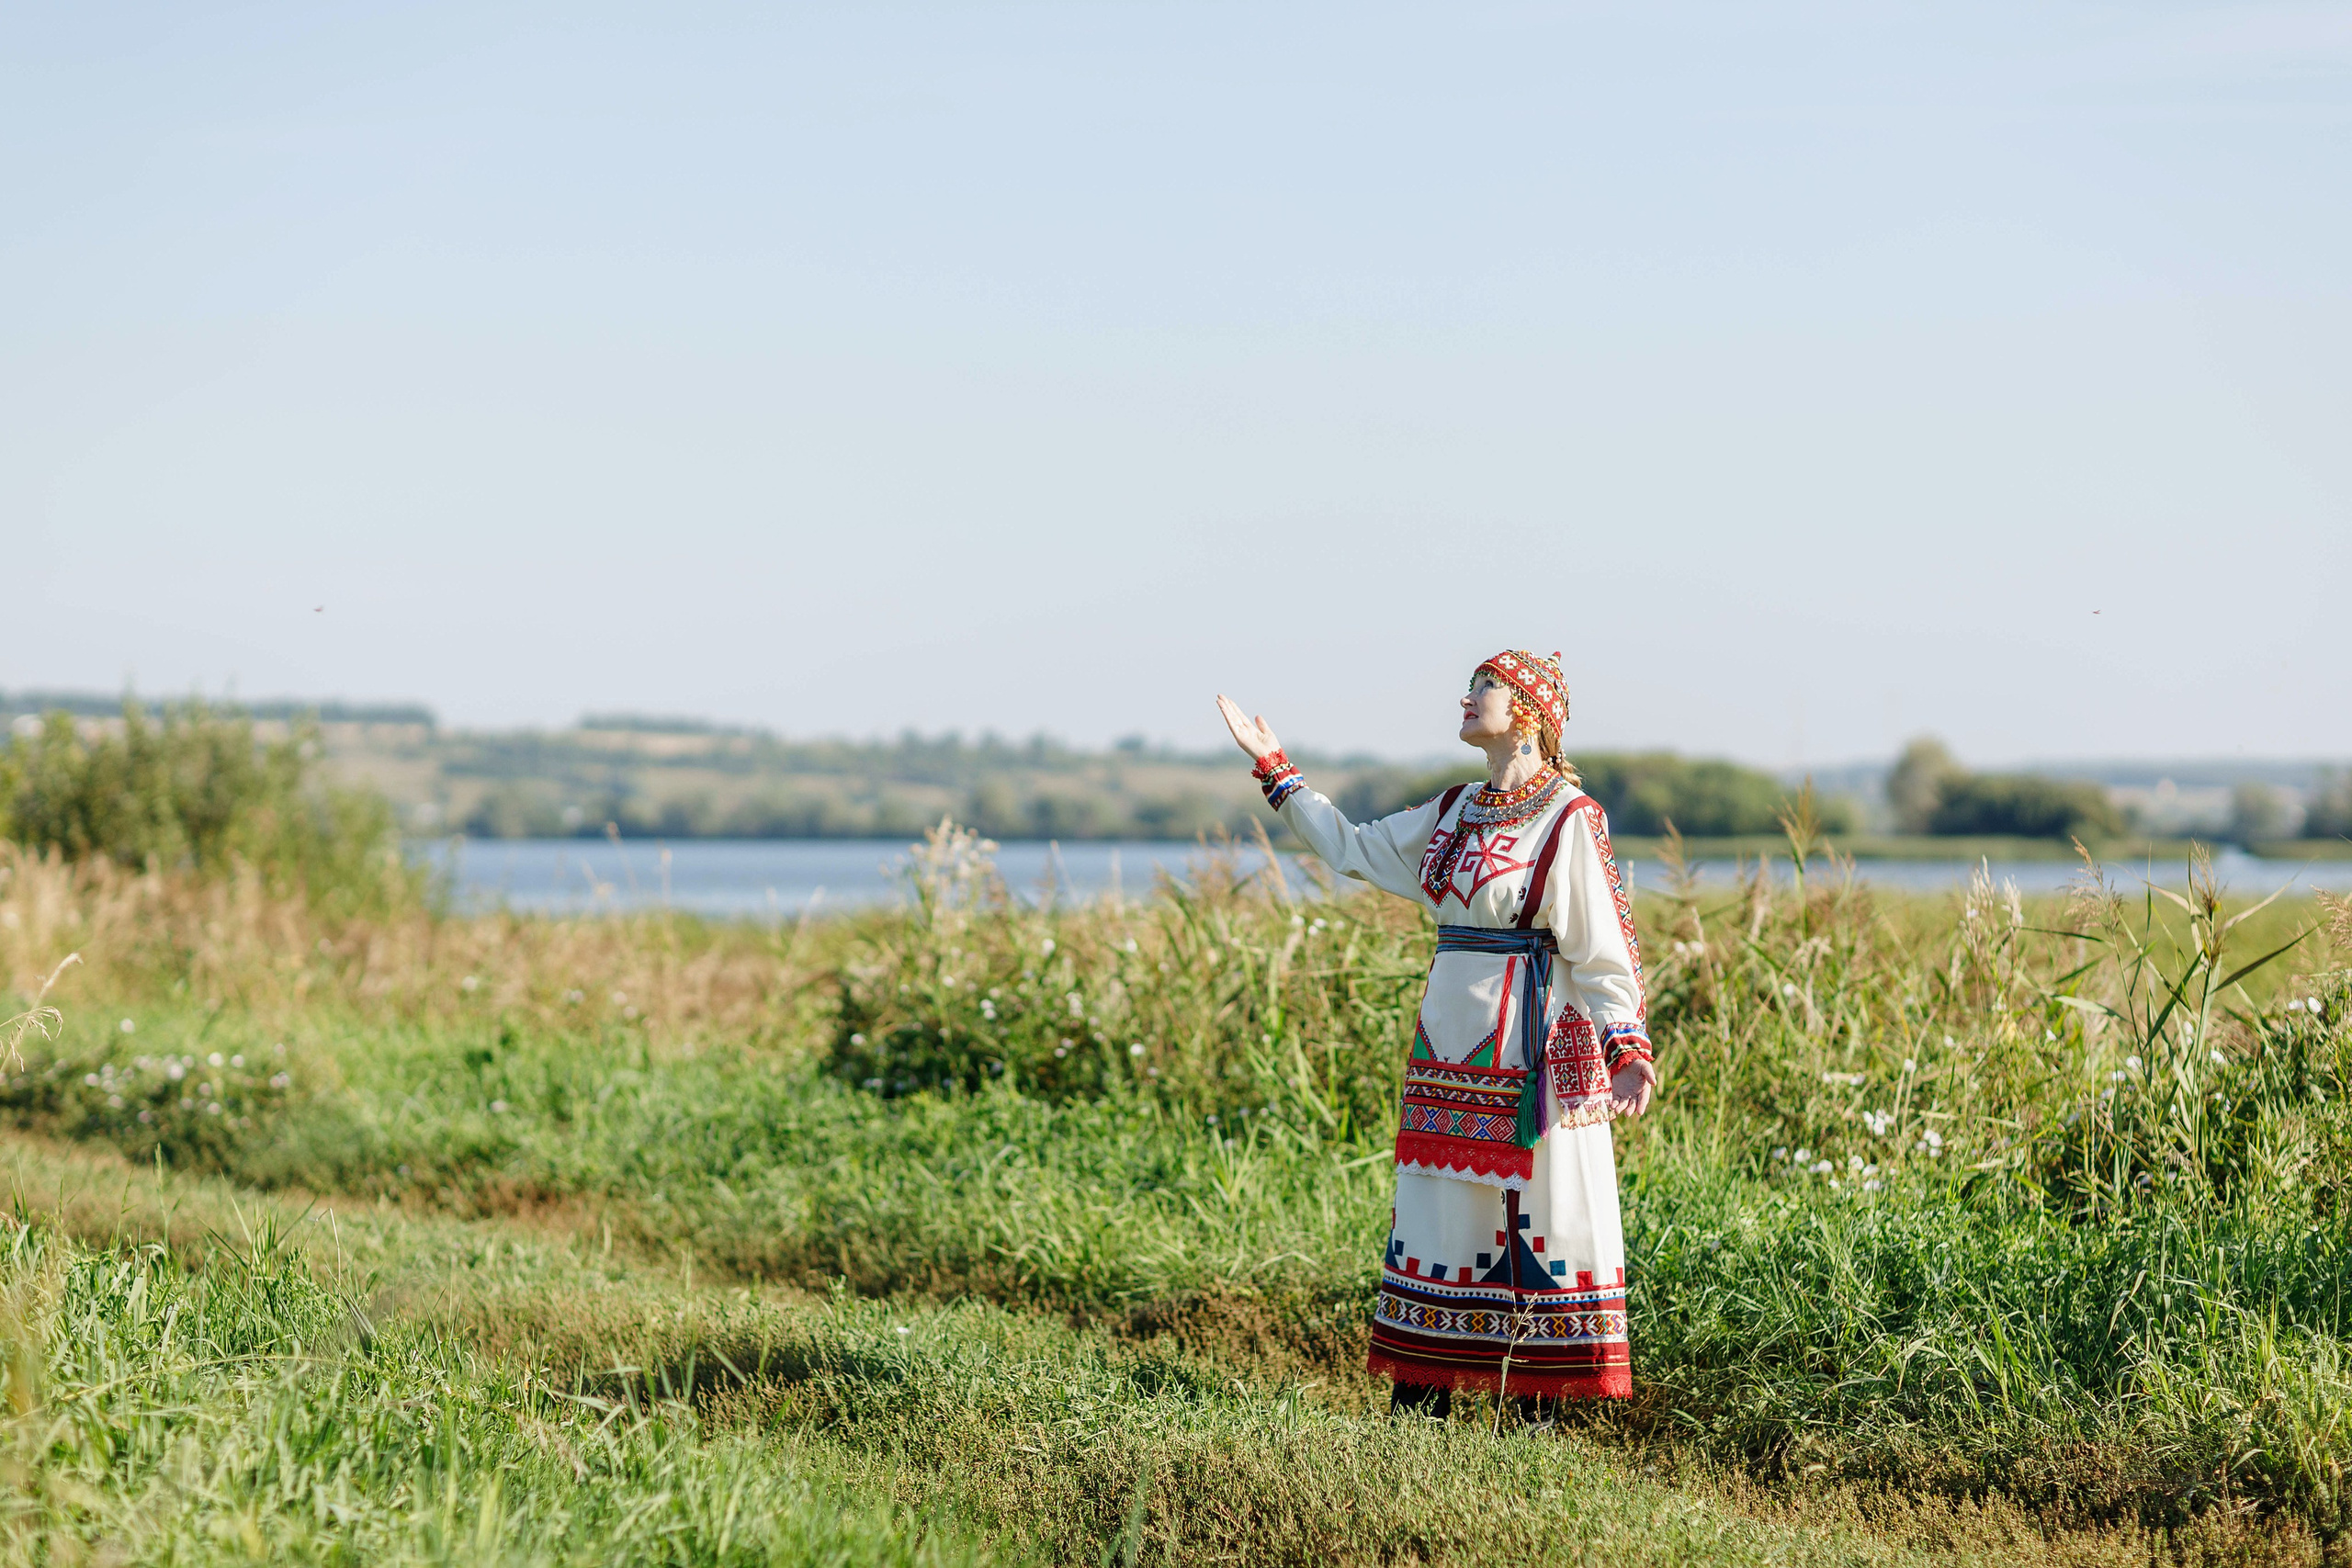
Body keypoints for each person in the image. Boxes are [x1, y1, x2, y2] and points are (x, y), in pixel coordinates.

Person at [1216, 651, 1655, 1417]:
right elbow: (1355, 847)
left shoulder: (1570, 818)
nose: (1465, 696)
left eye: (1482, 686)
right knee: (1442, 1218)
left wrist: (1626, 1048)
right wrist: (1277, 772)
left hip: (1532, 1057)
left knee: (1536, 1219)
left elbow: (1604, 944)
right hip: (1450, 1050)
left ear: (1526, 710)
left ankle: (1533, 1417)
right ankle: (1422, 1406)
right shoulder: (1453, 809)